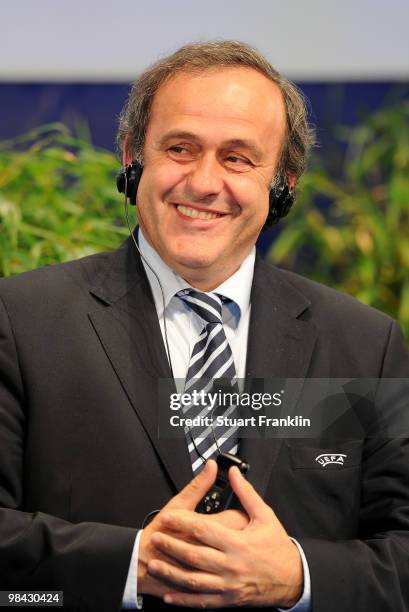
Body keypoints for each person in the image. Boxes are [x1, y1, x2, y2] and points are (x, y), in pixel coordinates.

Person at [0, 40, 408, 612]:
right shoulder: (19, 320)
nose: (203, 182)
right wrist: (134, 562)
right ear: (130, 157)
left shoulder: (366, 343)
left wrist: (297, 574)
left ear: (282, 181)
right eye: (180, 148)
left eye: (238, 157)